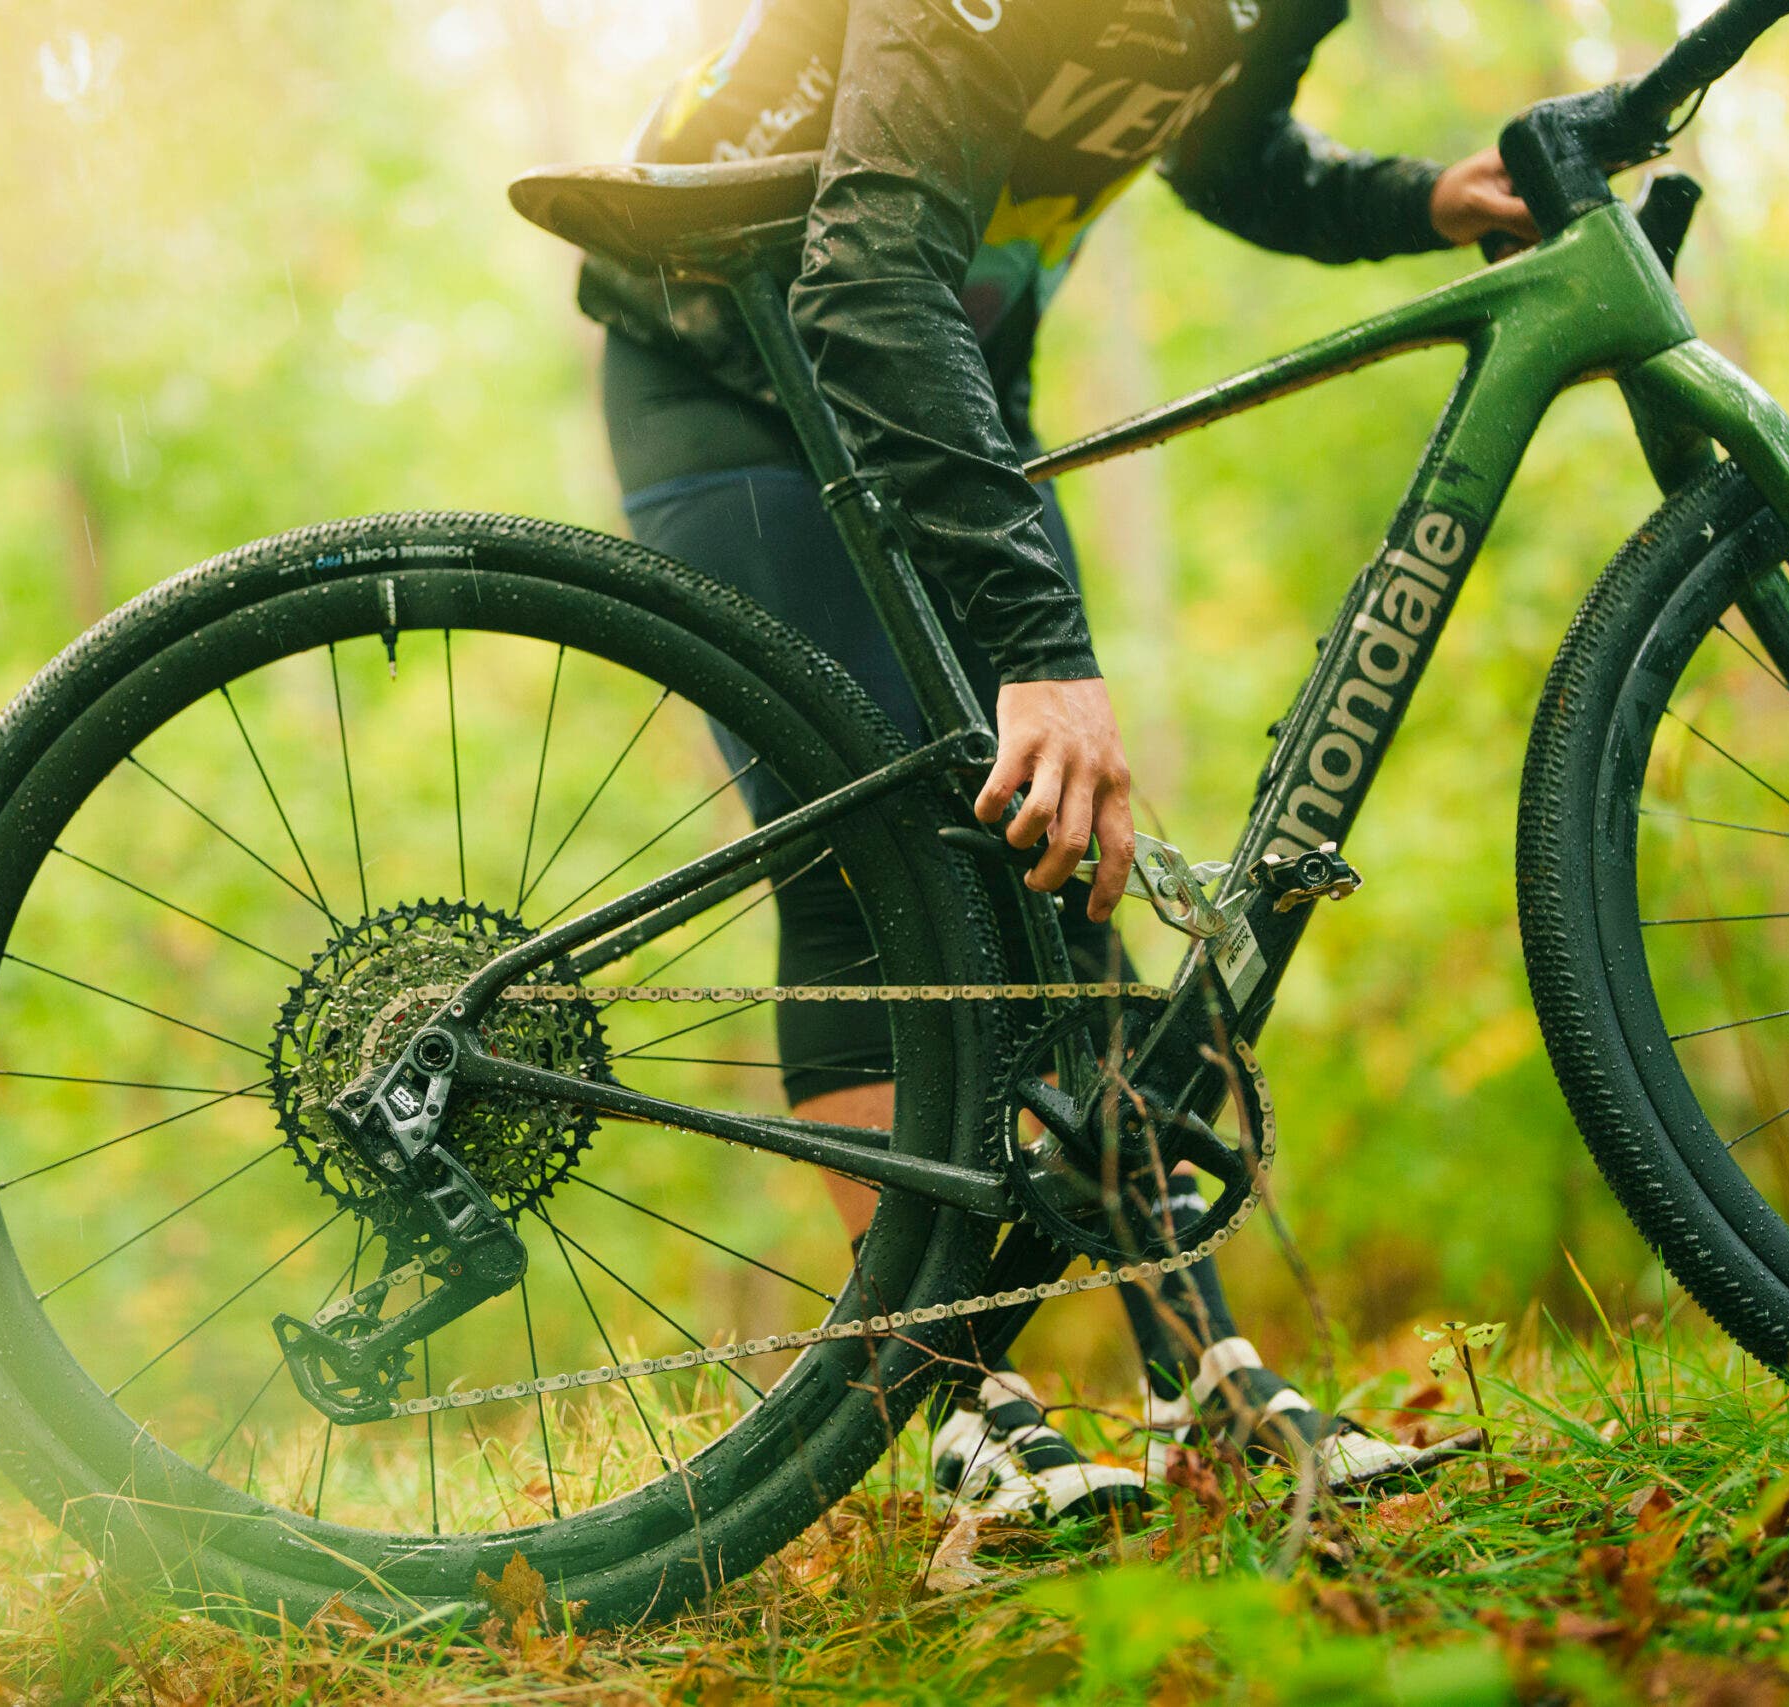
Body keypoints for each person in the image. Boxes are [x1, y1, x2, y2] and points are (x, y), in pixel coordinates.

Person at [579, 0, 1533, 1521]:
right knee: (864, 853)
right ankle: (961, 1401)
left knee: (1064, 854)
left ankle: (1201, 1378)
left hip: (946, 389)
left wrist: (1414, 199)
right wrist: (1041, 650)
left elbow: (1225, 149)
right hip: (732, 366)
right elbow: (872, 265)